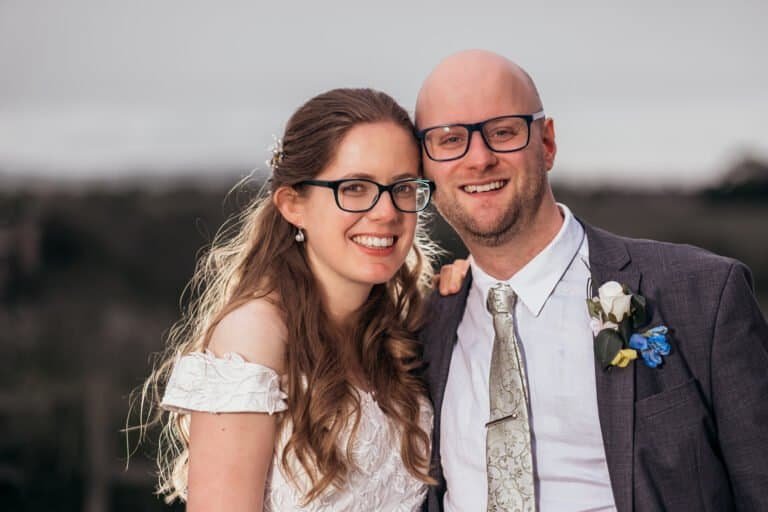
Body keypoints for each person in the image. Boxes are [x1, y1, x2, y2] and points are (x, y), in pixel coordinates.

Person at [416, 50, 768, 511]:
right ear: (425, 168)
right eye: (450, 140)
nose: (478, 159)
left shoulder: (704, 295)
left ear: (547, 143)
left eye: (503, 132)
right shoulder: (420, 328)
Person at [139, 88, 438, 511]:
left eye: (403, 188)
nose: (387, 212)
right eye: (354, 188)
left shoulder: (397, 332)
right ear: (293, 204)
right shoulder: (256, 334)